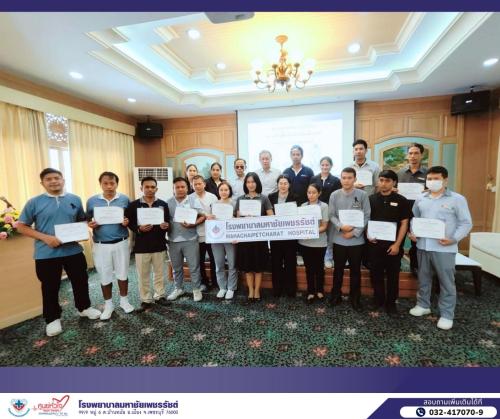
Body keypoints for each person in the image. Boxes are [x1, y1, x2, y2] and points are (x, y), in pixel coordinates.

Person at [17, 168, 101, 337]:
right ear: (42, 183)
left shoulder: (74, 199)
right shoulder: (34, 202)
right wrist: (45, 238)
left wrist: (86, 228)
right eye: (49, 179)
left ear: (63, 180)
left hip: (73, 251)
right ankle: (52, 318)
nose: (53, 181)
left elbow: (81, 221)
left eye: (57, 178)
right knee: (50, 286)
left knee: (81, 280)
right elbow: (21, 226)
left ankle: (84, 308)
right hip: (46, 253)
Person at [409, 166, 472, 330]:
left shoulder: (457, 199)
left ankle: (446, 314)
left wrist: (454, 239)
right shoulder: (421, 198)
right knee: (423, 278)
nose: (432, 181)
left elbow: (466, 223)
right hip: (423, 246)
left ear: (445, 180)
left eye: (436, 179)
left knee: (446, 282)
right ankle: (423, 305)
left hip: (444, 248)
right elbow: (415, 218)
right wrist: (414, 232)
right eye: (429, 179)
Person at [86, 171, 135, 320]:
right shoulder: (92, 201)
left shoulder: (124, 199)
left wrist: (127, 222)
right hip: (101, 244)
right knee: (104, 275)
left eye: (112, 183)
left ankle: (124, 301)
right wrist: (90, 224)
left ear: (116, 184)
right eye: (105, 183)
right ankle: (108, 305)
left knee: (123, 273)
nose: (109, 186)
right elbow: (87, 219)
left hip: (121, 242)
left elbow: (130, 218)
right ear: (100, 184)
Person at [368, 170, 411, 316]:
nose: (383, 184)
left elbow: (404, 224)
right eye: (381, 180)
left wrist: (398, 245)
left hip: (393, 246)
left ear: (394, 183)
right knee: (375, 274)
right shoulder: (371, 199)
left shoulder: (402, 200)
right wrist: (368, 235)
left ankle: (391, 303)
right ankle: (378, 299)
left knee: (393, 276)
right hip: (374, 245)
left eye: (387, 181)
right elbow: (366, 220)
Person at [329, 167, 371, 311]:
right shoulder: (334, 195)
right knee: (338, 270)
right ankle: (336, 295)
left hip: (356, 241)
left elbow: (367, 215)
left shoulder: (362, 195)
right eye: (344, 178)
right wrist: (341, 226)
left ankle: (355, 298)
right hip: (339, 239)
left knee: (355, 271)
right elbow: (331, 215)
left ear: (355, 179)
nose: (346, 180)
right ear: (340, 179)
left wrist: (354, 233)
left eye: (349, 178)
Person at [126, 176, 170, 310]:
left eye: (152, 187)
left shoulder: (163, 204)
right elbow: (129, 223)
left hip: (159, 244)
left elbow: (167, 222)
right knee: (143, 275)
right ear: (141, 188)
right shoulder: (133, 205)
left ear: (156, 189)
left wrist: (165, 226)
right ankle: (146, 299)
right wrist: (138, 229)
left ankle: (160, 296)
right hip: (141, 246)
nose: (150, 189)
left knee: (159, 273)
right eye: (147, 187)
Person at [166, 177, 206, 302]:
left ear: (187, 188)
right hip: (173, 240)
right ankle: (178, 288)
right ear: (173, 189)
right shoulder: (168, 202)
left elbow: (202, 216)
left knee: (194, 266)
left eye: (183, 187)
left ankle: (196, 289)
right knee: (176, 267)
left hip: (190, 239)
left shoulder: (194, 200)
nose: (180, 189)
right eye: (177, 187)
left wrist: (193, 223)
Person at [235, 172, 273, 301]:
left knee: (258, 267)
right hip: (245, 238)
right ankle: (250, 290)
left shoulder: (264, 198)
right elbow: (237, 219)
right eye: (248, 182)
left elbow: (271, 217)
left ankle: (257, 291)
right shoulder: (240, 199)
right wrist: (244, 218)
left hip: (259, 238)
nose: (251, 184)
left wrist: (257, 218)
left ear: (257, 183)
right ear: (245, 184)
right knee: (248, 267)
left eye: (253, 182)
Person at [397, 143, 428, 276]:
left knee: (416, 241)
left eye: (416, 153)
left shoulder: (428, 173)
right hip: (402, 212)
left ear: (421, 155)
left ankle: (415, 267)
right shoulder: (400, 173)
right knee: (398, 239)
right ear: (407, 155)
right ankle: (396, 265)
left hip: (419, 213)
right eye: (410, 153)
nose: (413, 156)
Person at [268, 175, 299, 298]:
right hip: (276, 235)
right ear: (277, 184)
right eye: (281, 183)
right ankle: (277, 289)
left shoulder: (295, 197)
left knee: (290, 263)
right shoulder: (271, 197)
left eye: (285, 183)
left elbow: (299, 215)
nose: (283, 185)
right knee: (276, 263)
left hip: (290, 236)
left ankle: (290, 289)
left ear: (289, 185)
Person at [298, 183, 330, 304]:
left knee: (319, 268)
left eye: (313, 192)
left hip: (319, 243)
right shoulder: (303, 206)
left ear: (319, 193)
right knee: (309, 269)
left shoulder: (324, 206)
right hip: (305, 243)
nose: (311, 195)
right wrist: (303, 231)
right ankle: (311, 291)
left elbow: (324, 226)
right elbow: (300, 224)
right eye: (309, 192)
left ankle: (320, 290)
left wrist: (312, 232)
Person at [207, 181, 238, 300]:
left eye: (226, 190)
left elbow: (239, 219)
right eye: (221, 190)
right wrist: (210, 218)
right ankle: (222, 287)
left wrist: (233, 218)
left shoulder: (234, 203)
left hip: (230, 237)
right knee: (219, 263)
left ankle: (231, 288)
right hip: (217, 237)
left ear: (229, 191)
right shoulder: (214, 204)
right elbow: (209, 220)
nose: (224, 192)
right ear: (218, 191)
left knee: (232, 263)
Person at [310, 156, 341, 268]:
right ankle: (317, 257)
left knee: (329, 235)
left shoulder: (336, 180)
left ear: (331, 166)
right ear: (320, 166)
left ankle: (328, 257)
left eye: (327, 165)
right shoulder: (314, 178)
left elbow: (337, 197)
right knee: (317, 233)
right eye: (322, 165)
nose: (324, 167)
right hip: (315, 211)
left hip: (329, 210)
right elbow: (311, 192)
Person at [189, 175, 218, 291]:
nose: (197, 186)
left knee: (214, 259)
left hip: (212, 234)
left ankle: (215, 281)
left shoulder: (212, 197)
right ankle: (204, 282)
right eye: (195, 184)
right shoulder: (189, 198)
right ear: (192, 185)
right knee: (199, 260)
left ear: (204, 184)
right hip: (196, 234)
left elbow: (217, 213)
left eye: (199, 183)